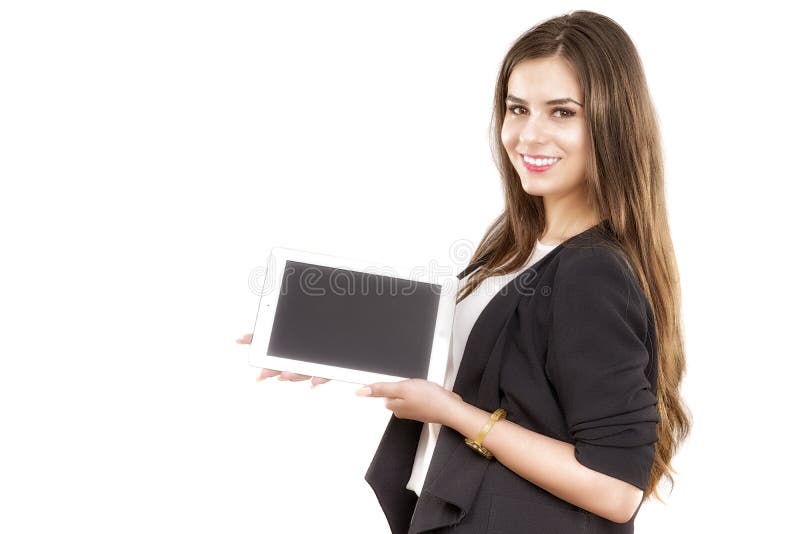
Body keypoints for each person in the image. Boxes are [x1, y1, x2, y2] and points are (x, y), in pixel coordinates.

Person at [236, 9, 690, 533]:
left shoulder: (593, 272)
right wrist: (335, 347)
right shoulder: (515, 246)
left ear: (613, 123)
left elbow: (617, 490)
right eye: (517, 108)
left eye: (562, 112)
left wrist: (454, 414)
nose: (528, 134)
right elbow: (490, 367)